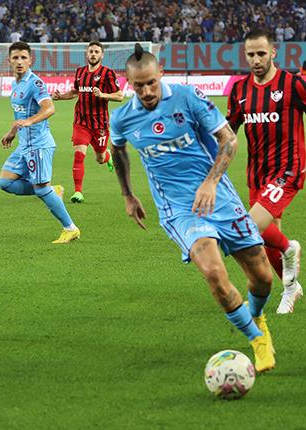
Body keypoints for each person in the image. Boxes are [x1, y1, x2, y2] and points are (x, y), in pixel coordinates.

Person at [109, 44, 276, 373]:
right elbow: (118, 151)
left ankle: (256, 314)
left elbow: (229, 139)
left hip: (220, 198)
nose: (146, 91)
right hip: (179, 210)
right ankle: (257, 339)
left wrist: (211, 182)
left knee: (263, 278)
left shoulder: (189, 97)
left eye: (151, 83)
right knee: (214, 273)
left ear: (161, 75)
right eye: (138, 85)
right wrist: (128, 194)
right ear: (128, 83)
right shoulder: (123, 118)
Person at [226, 30, 306, 315]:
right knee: (264, 237)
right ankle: (291, 288)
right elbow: (229, 131)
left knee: (250, 228)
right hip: (257, 173)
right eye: (250, 54)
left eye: (261, 53)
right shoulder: (239, 90)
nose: (256, 60)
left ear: (273, 51)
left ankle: (290, 249)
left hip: (287, 171)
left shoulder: (292, 84)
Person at [0, 42, 80, 244]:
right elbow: (20, 113)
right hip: (24, 144)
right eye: (15, 58)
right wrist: (12, 131)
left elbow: (49, 108)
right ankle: (53, 191)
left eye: (23, 58)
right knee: (6, 182)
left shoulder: (35, 83)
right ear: (9, 60)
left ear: (30, 60)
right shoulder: (15, 84)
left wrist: (29, 121)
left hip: (38, 145)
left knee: (42, 189)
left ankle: (70, 228)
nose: (19, 62)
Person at [51, 41, 123, 203]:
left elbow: (119, 95)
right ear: (87, 53)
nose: (93, 54)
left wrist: (103, 95)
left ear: (101, 55)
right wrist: (60, 97)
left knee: (99, 158)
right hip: (81, 122)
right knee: (79, 155)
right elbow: (76, 91)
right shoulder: (80, 72)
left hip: (100, 125)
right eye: (91, 51)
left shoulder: (108, 74)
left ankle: (107, 156)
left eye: (97, 52)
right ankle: (78, 192)